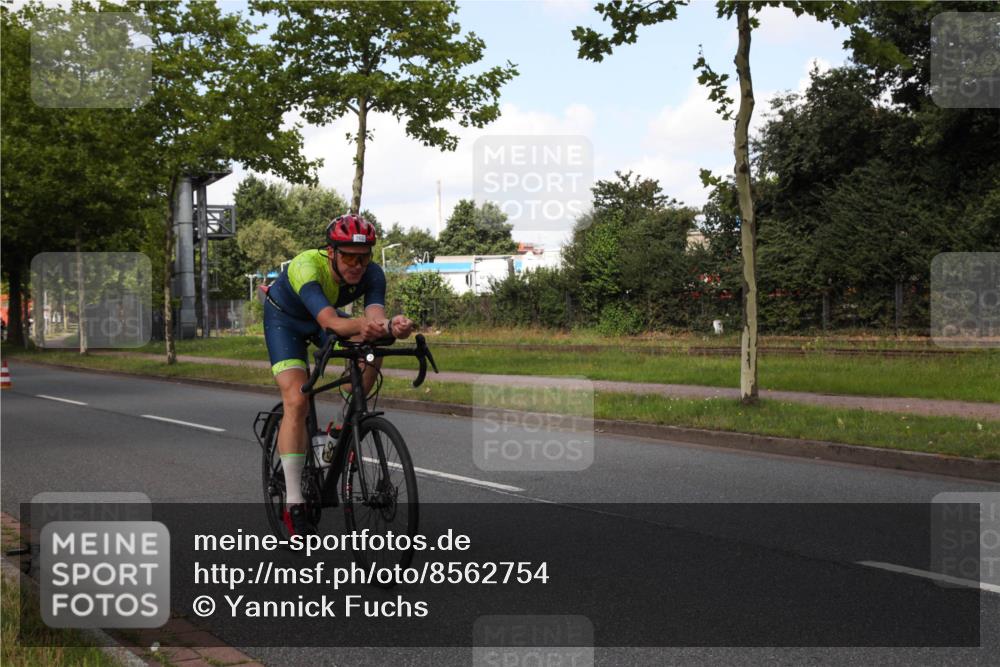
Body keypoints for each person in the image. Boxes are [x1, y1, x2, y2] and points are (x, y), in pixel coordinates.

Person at [263, 214, 414, 536]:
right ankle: (294, 503)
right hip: (286, 321)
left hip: (325, 319)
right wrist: (367, 326)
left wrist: (391, 327)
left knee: (371, 355)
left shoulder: (373, 273)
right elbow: (330, 321)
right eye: (348, 256)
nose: (357, 265)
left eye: (363, 257)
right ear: (331, 252)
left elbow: (374, 316)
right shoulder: (307, 266)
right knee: (297, 399)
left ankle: (341, 431)